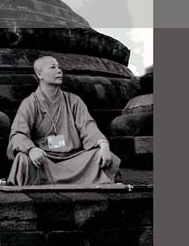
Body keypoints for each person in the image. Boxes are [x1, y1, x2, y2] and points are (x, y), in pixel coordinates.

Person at [6, 56, 121, 186]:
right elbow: (17, 134)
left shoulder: (74, 101)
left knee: (101, 156)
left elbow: (88, 126)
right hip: (45, 159)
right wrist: (31, 149)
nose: (59, 71)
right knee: (23, 160)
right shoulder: (30, 103)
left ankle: (50, 180)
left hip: (74, 159)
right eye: (53, 67)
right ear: (39, 74)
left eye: (59, 67)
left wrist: (103, 144)